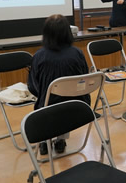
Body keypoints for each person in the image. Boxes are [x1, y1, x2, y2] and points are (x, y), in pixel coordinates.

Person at [27, 14, 90, 155]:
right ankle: (61, 140)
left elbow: (33, 86)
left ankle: (44, 141)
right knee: (66, 95)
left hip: (48, 108)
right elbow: (84, 79)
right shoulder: (77, 53)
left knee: (46, 98)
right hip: (78, 107)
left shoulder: (39, 56)